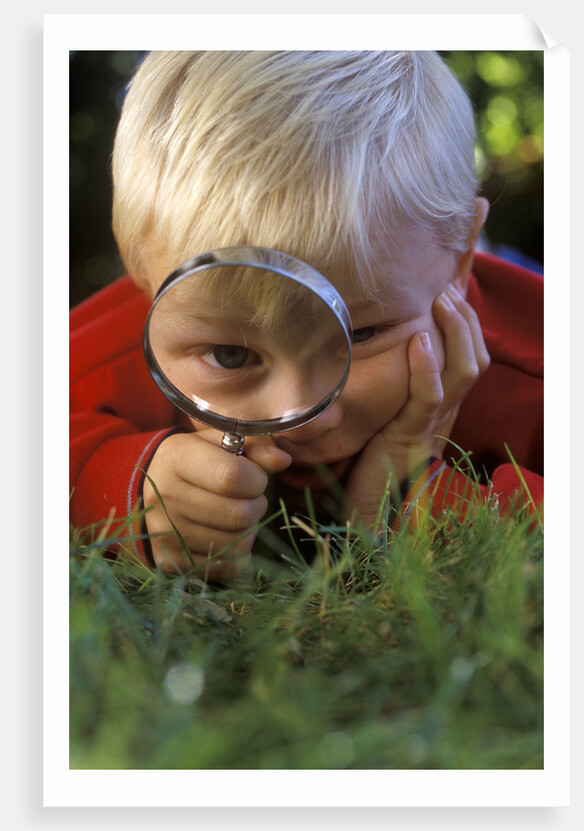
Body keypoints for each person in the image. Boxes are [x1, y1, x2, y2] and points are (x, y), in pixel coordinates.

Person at [70, 50, 543, 578]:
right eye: (232, 353)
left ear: (459, 257)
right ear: (141, 270)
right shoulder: (123, 340)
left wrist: (411, 498)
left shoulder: (542, 374)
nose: (305, 412)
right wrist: (119, 483)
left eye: (360, 333)